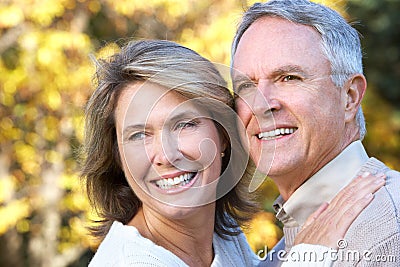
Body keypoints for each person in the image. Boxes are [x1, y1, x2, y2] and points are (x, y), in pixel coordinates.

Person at [81, 39, 385, 267]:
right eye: (138, 135)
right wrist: (310, 256)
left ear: (223, 135)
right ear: (118, 157)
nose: (166, 155)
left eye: (185, 124)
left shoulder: (221, 236)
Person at [231, 0, 400, 266]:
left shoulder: (389, 228)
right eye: (245, 85)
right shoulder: (279, 254)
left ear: (349, 97)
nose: (262, 104)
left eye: (288, 78)